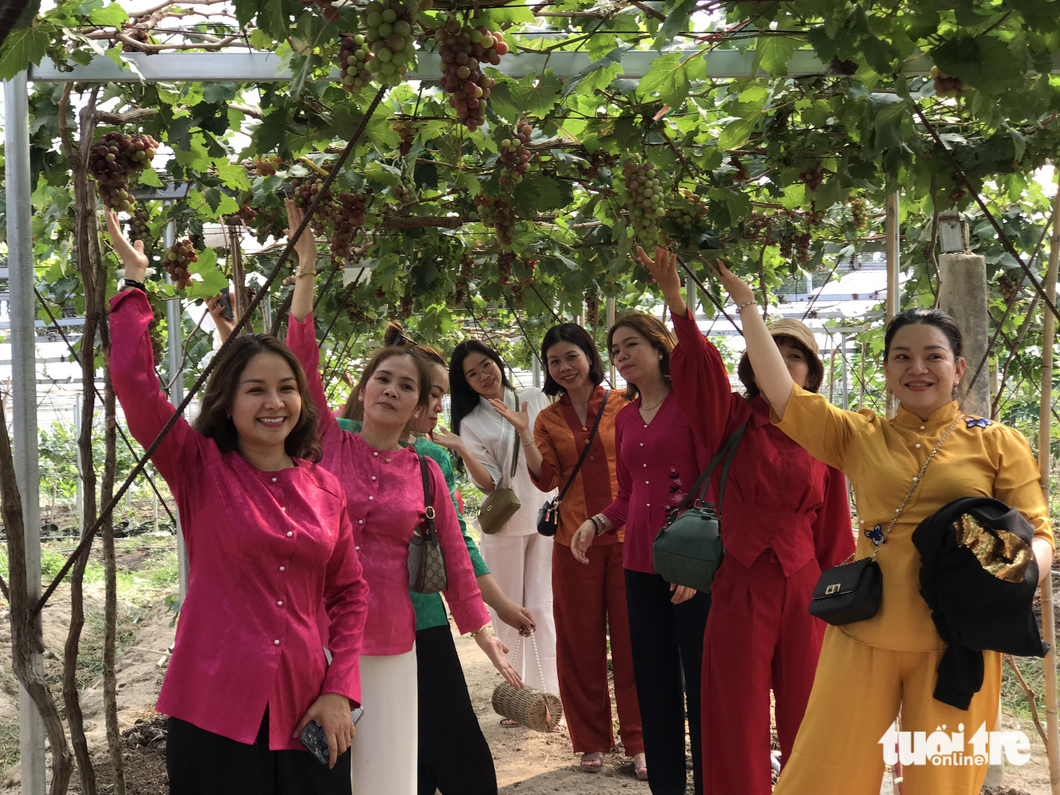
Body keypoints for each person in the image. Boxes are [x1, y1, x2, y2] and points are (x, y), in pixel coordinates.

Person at [693, 250, 1054, 795]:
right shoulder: (859, 435)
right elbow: (783, 392)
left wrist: (1018, 573)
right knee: (824, 778)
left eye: (933, 356)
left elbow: (1040, 532)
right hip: (864, 633)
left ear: (957, 369)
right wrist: (746, 306)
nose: (917, 368)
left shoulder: (997, 442)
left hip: (958, 641)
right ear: (886, 369)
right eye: (902, 356)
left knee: (942, 783)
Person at [105, 209, 368, 794]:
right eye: (256, 389)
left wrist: (338, 687)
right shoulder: (198, 466)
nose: (274, 402)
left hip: (309, 711)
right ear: (227, 401)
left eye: (286, 388)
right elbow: (134, 382)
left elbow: (350, 594)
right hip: (213, 708)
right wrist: (134, 282)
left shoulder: (324, 487)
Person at [283, 201, 491, 795]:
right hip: (320, 637)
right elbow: (301, 362)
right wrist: (306, 270)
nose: (393, 391)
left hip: (395, 641)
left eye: (409, 386)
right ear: (365, 387)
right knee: (324, 774)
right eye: (384, 379)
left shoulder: (425, 468)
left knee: (388, 776)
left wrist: (485, 633)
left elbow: (454, 557)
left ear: (422, 405)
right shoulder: (328, 442)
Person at [638, 247, 854, 795]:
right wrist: (676, 306)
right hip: (739, 580)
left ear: (811, 371)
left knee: (810, 710)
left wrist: (839, 600)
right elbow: (701, 371)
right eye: (771, 352)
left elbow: (834, 533)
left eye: (794, 356)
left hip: (806, 585)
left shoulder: (827, 434)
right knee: (735, 713)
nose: (781, 362)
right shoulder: (729, 418)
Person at [338, 324, 536, 795]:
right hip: (339, 623)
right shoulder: (337, 443)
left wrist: (492, 614)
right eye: (433, 394)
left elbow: (455, 546)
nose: (438, 406)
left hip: (419, 617)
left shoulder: (430, 459)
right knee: (370, 742)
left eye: (435, 393)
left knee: (445, 730)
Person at [569, 312, 710, 793]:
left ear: (660, 347)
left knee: (700, 682)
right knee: (652, 678)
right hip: (639, 565)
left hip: (692, 566)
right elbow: (630, 493)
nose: (622, 356)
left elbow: (714, 483)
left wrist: (699, 563)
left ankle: (711, 781)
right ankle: (666, 785)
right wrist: (597, 521)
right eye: (616, 351)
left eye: (631, 345)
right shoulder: (625, 416)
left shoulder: (694, 406)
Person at [509, 322, 645, 775]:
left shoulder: (627, 403)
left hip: (629, 540)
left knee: (633, 643)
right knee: (579, 644)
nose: (564, 367)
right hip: (573, 544)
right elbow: (546, 479)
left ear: (590, 355)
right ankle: (591, 741)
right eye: (554, 361)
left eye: (571, 356)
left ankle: (640, 741)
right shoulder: (548, 417)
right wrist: (525, 434)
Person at [437, 339, 560, 704]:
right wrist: (460, 448)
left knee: (542, 605)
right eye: (472, 374)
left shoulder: (534, 395)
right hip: (506, 520)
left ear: (497, 362)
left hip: (547, 513)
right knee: (507, 609)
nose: (482, 376)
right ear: (466, 384)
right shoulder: (471, 422)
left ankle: (550, 691)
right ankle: (517, 695)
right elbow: (488, 482)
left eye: (485, 365)